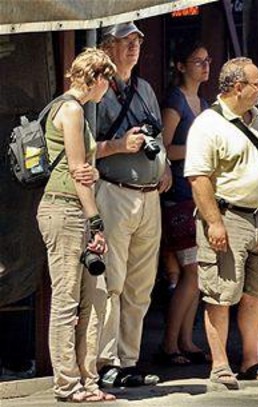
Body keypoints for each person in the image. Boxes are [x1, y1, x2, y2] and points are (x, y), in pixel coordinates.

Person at [185, 57, 258, 390]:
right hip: (228, 217)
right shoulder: (207, 124)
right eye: (257, 84)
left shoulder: (255, 117)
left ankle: (251, 361)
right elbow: (198, 178)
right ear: (238, 87)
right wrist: (214, 223)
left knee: (256, 293)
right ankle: (220, 365)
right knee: (221, 293)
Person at [37, 48, 117, 403]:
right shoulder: (70, 109)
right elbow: (76, 170)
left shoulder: (76, 111)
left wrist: (92, 172)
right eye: (107, 80)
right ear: (96, 78)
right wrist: (96, 221)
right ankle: (67, 384)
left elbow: (85, 170)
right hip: (65, 209)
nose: (108, 88)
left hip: (76, 209)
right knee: (67, 300)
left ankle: (89, 380)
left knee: (93, 298)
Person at [95, 21, 171, 388]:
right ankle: (105, 361)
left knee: (140, 285)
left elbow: (158, 133)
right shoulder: (98, 90)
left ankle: (128, 360)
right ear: (107, 47)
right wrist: (118, 146)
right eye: (125, 40)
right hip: (114, 191)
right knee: (112, 281)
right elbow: (81, 149)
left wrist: (165, 165)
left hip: (149, 196)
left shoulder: (145, 89)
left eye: (137, 40)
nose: (133, 46)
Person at [157, 39, 211, 366]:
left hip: (196, 195)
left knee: (198, 274)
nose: (205, 66)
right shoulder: (176, 101)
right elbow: (162, 148)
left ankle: (186, 340)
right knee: (190, 272)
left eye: (207, 60)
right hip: (177, 195)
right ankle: (169, 344)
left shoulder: (202, 102)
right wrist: (198, 152)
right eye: (197, 61)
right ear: (180, 66)